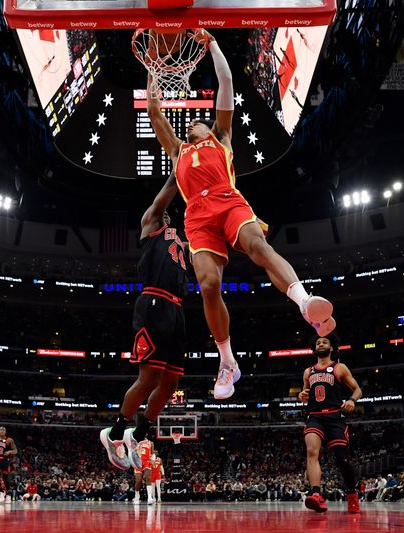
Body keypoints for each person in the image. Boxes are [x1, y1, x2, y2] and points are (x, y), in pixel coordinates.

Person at [146, 30, 334, 399]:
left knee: (258, 246)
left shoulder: (222, 137)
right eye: (188, 127)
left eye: (195, 123)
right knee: (209, 286)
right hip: (198, 218)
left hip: (228, 201)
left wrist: (211, 43)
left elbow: (226, 81)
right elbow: (154, 111)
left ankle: (304, 302)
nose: (190, 126)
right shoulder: (178, 151)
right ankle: (227, 361)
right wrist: (152, 65)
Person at [100, 181, 188, 471]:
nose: (163, 213)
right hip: (153, 302)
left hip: (177, 309)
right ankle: (113, 434)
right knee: (149, 377)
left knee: (171, 383)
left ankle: (137, 434)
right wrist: (180, 167)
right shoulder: (151, 223)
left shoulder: (180, 240)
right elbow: (164, 196)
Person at [298, 334, 362, 514]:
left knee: (343, 460)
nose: (321, 344)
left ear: (332, 347)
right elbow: (305, 393)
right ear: (314, 348)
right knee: (311, 452)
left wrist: (351, 400)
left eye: (325, 342)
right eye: (318, 342)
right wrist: (301, 395)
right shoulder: (308, 371)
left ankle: (351, 493)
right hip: (314, 416)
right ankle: (316, 494)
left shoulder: (339, 367)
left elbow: (358, 389)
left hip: (335, 417)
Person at [0, 426, 18, 502]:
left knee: (5, 479)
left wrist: (9, 452)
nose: (2, 431)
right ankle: (1, 491)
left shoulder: (10, 440)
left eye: (4, 430)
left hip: (5, 461)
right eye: (1, 429)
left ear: (5, 432)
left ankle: (8, 495)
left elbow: (15, 450)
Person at [131, 439, 155, 504]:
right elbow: (132, 452)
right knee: (138, 480)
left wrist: (153, 460)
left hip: (147, 462)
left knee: (148, 478)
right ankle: (136, 496)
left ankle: (149, 497)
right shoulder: (135, 442)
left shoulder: (150, 443)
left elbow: (152, 453)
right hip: (138, 461)